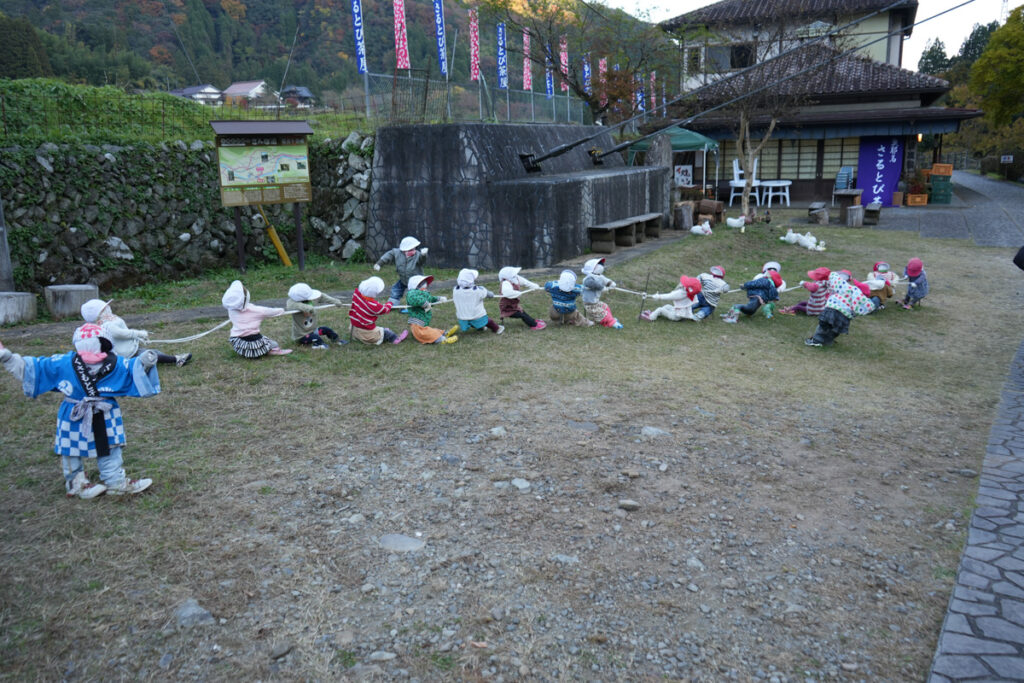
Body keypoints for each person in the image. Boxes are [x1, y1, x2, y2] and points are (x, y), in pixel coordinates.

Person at [0, 324, 157, 498]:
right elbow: (36, 368)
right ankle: (76, 482)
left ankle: (115, 481)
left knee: (110, 444)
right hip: (75, 411)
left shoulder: (113, 363)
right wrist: (7, 357)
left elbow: (131, 368)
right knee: (71, 447)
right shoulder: (65, 363)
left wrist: (144, 363)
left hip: (104, 411)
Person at [81, 299, 191, 367]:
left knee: (153, 352)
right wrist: (138, 334)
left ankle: (173, 358)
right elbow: (121, 333)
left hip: (129, 348)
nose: (108, 308)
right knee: (150, 355)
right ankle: (176, 359)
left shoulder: (106, 322)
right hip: (127, 353)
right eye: (105, 307)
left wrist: (137, 338)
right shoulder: (107, 325)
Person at [805, 270, 876, 347]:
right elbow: (862, 310)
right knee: (835, 330)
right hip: (844, 316)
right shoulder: (859, 302)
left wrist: (832, 274)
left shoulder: (847, 289)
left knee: (823, 326)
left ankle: (816, 340)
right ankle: (828, 341)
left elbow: (835, 278)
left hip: (833, 309)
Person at [222, 280, 292, 358]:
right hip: (254, 342)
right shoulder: (255, 310)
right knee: (274, 344)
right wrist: (282, 310)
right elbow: (269, 311)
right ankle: (268, 351)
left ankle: (247, 352)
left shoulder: (231, 309)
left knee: (249, 344)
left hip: (238, 342)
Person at [349, 276, 408, 345]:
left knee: (379, 329)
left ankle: (358, 337)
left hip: (354, 328)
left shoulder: (356, 294)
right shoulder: (374, 306)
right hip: (367, 334)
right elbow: (385, 309)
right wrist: (390, 303)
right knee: (387, 333)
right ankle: (395, 339)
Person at [285, 282, 344, 350]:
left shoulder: (311, 299)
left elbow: (321, 296)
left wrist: (335, 301)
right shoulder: (293, 303)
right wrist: (308, 308)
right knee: (316, 338)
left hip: (314, 330)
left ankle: (337, 340)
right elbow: (290, 304)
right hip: (302, 336)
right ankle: (319, 345)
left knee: (326, 330)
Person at [373, 236, 428, 306]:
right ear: (404, 250)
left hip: (415, 281)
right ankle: (393, 302)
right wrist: (379, 263)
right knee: (396, 289)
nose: (413, 251)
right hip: (403, 279)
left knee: (415, 293)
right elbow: (388, 255)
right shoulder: (397, 253)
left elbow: (422, 261)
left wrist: (423, 255)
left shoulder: (417, 255)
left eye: (414, 249)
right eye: (410, 250)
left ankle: (419, 303)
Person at [405, 274, 458, 344]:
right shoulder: (412, 293)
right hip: (417, 324)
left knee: (431, 330)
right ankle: (442, 340)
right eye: (422, 282)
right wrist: (424, 303)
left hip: (422, 322)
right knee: (426, 333)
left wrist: (439, 299)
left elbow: (431, 299)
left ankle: (444, 333)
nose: (425, 284)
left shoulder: (424, 293)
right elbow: (413, 299)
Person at [452, 269, 504, 335]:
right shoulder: (478, 290)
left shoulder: (455, 290)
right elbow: (490, 295)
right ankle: (497, 329)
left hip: (462, 317)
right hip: (476, 315)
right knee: (488, 321)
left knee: (472, 322)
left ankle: (480, 328)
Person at [581, 258, 624, 329]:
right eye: (599, 264)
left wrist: (611, 283)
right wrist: (602, 288)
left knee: (605, 307)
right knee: (602, 314)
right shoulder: (589, 278)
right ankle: (612, 323)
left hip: (596, 302)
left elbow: (605, 280)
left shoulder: (599, 276)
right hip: (590, 305)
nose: (601, 266)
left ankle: (609, 320)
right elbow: (592, 284)